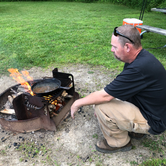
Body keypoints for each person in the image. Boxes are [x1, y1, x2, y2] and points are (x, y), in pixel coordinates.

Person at [70, 24, 166, 153]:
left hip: (154, 119)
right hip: (151, 108)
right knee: (99, 100)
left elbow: (105, 96)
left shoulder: (139, 68)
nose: (111, 50)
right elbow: (118, 89)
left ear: (127, 47)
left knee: (101, 107)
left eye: (114, 46)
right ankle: (135, 130)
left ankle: (119, 143)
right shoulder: (140, 59)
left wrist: (77, 103)